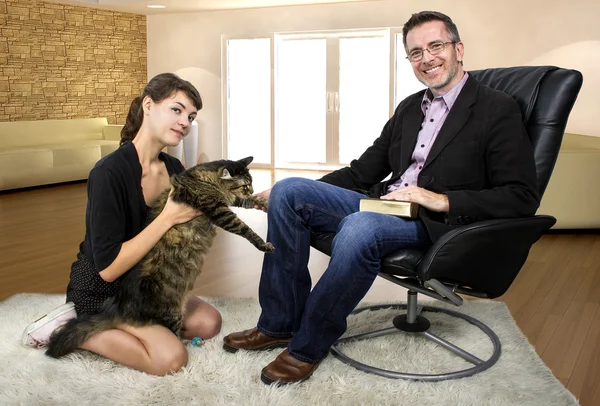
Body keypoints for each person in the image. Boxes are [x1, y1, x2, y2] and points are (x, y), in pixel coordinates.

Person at [223, 11, 540, 385]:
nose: (427, 58)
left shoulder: (496, 108)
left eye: (436, 46)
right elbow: (361, 173)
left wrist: (442, 200)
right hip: (383, 203)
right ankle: (278, 324)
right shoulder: (410, 107)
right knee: (290, 190)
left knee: (360, 228)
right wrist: (298, 190)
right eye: (416, 52)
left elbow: (520, 196)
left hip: (432, 222)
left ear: (458, 48)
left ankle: (307, 345)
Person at [22, 73, 222, 376]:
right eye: (177, 110)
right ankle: (71, 327)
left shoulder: (174, 168)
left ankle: (137, 327)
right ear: (149, 105)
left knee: (208, 323)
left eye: (191, 116)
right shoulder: (108, 173)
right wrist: (168, 217)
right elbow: (109, 268)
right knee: (170, 359)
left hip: (146, 287)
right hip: (104, 290)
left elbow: (184, 234)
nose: (186, 122)